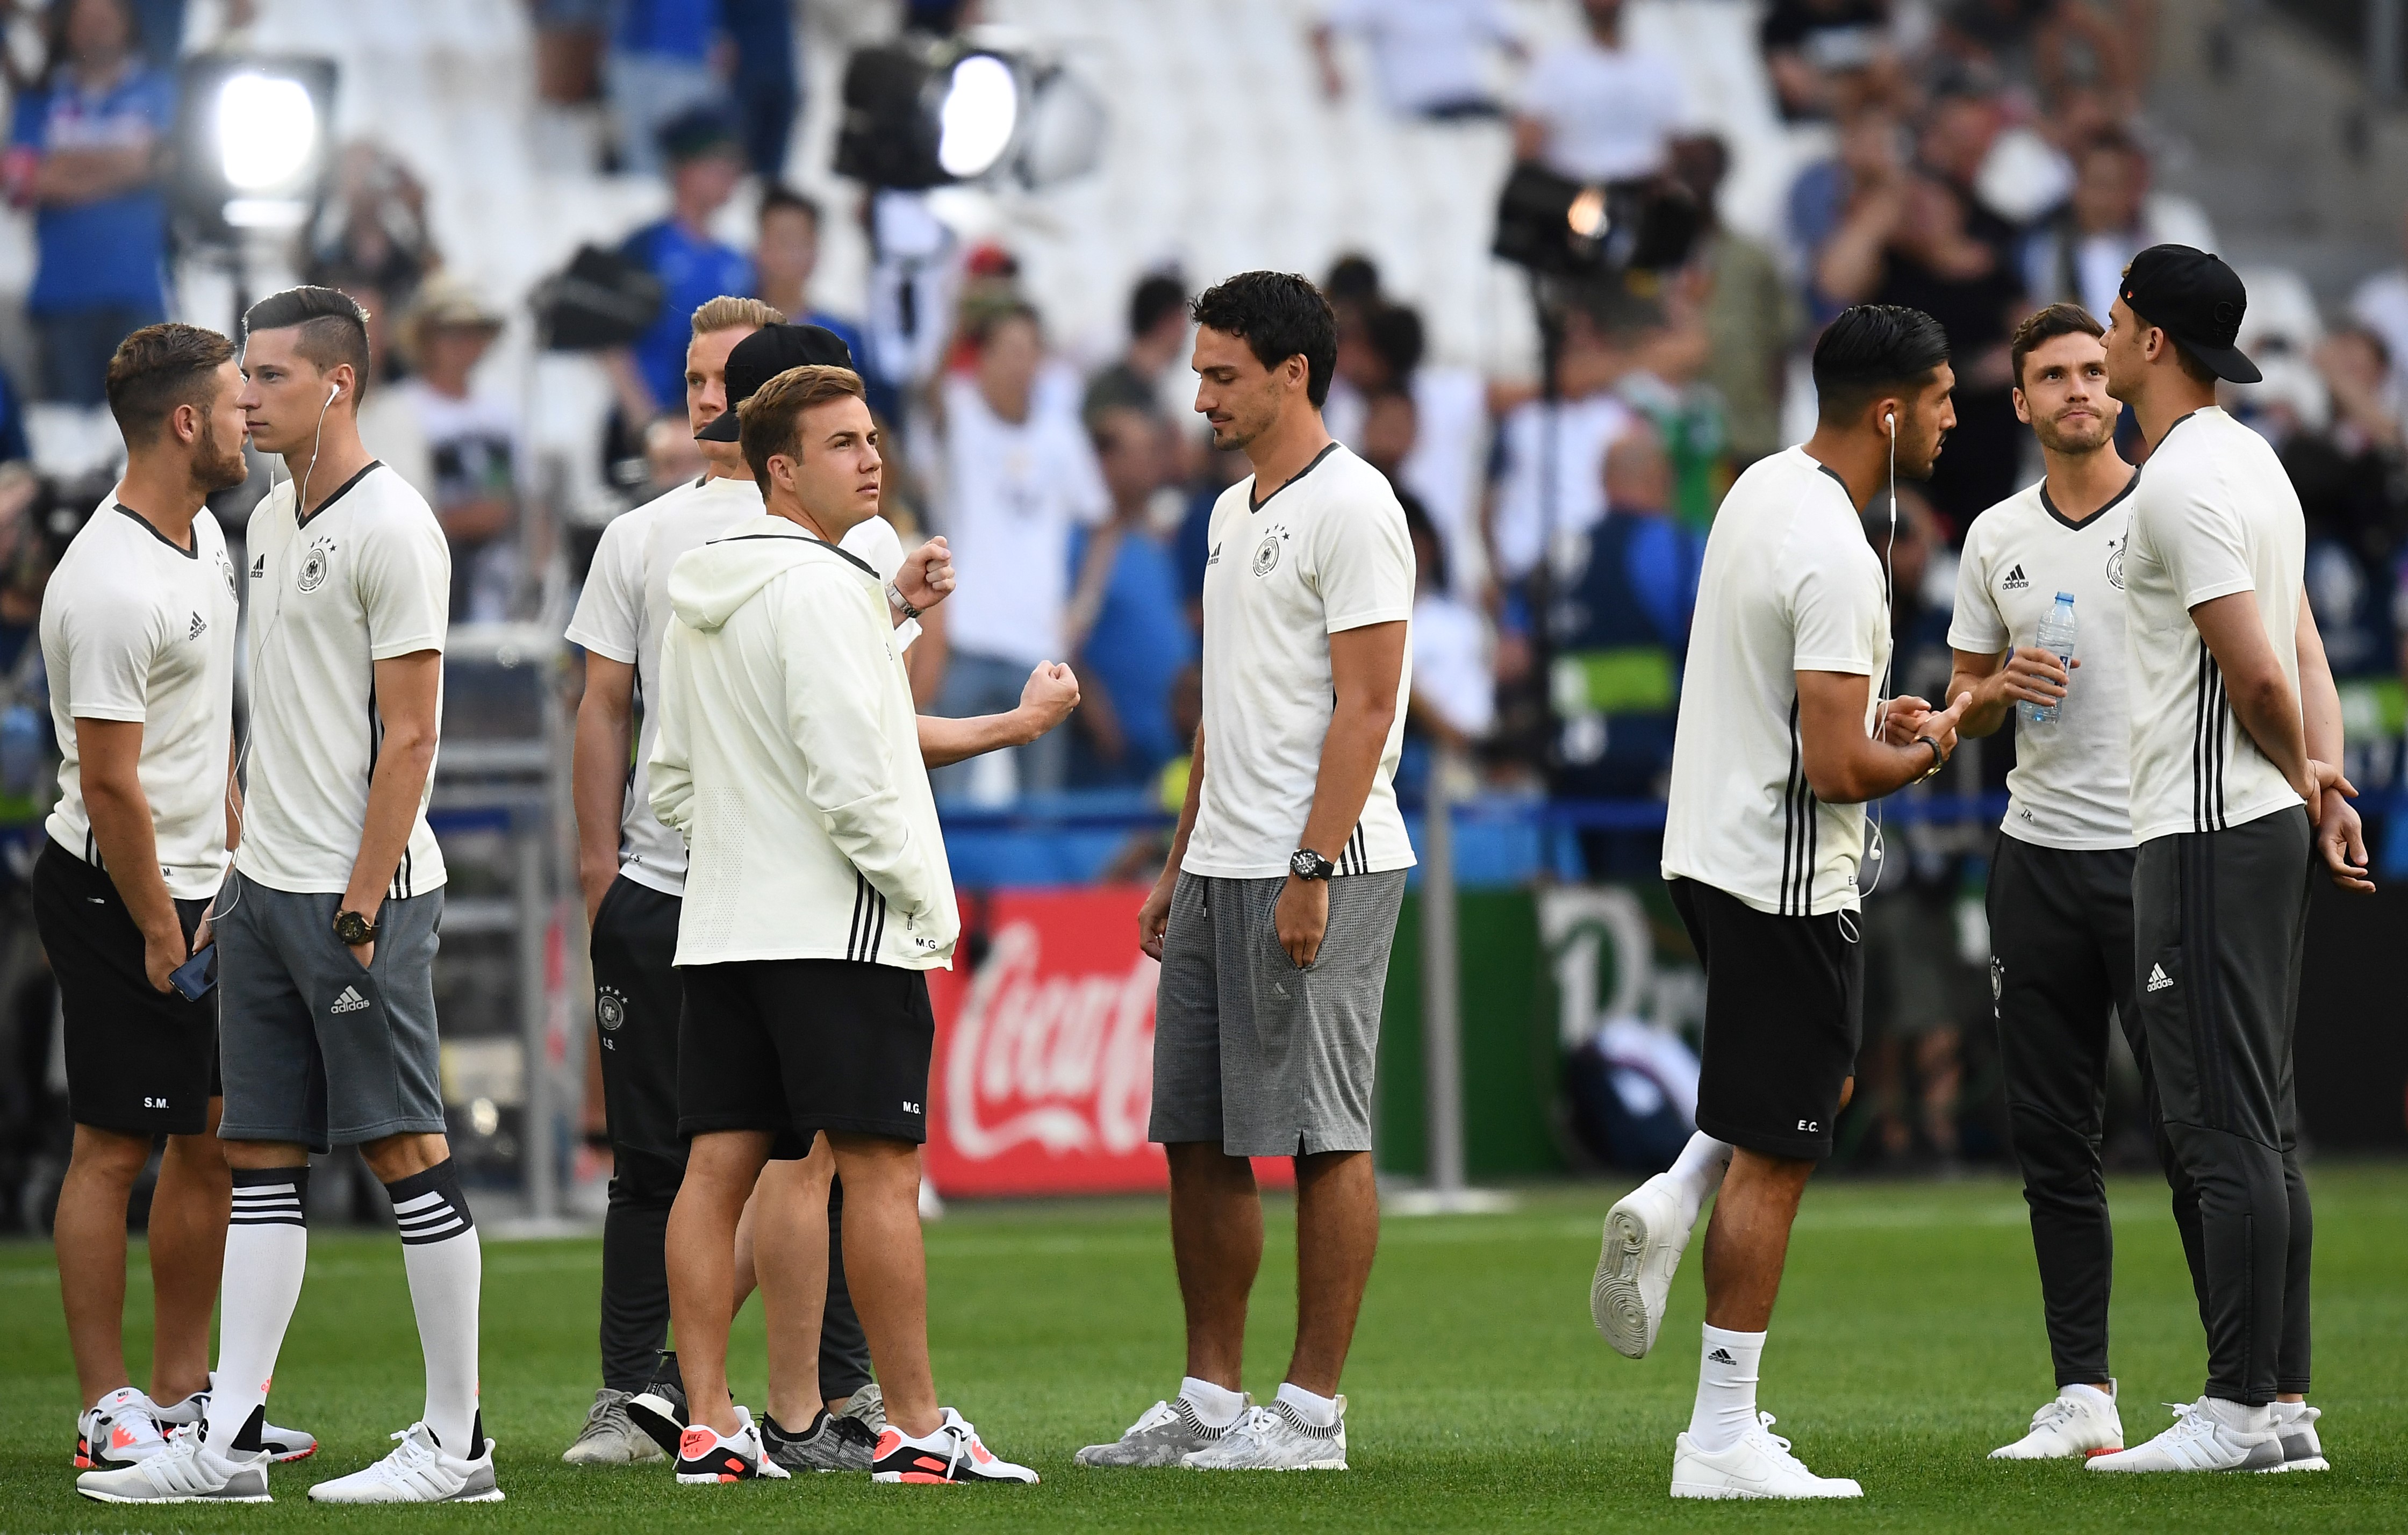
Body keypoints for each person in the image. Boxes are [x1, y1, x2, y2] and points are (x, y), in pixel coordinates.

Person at [563, 305, 1074, 1471]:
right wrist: (925, 906)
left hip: (723, 918)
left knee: (715, 1169)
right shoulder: (829, 588)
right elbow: (861, 780)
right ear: (781, 469)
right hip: (836, 924)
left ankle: (707, 1424)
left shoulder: (702, 579)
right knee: (880, 1177)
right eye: (844, 443)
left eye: (872, 437)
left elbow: (674, 778)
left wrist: (747, 845)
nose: (871, 458)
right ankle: (917, 1432)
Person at [80, 287, 492, 1505]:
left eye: (265, 378)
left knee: (407, 1151)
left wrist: (361, 905)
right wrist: (244, 872)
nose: (242, 399)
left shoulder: (396, 527)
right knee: (256, 1152)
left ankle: (458, 1444)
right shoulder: (264, 517)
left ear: (338, 385)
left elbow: (412, 739)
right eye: (242, 379)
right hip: (265, 889)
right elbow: (281, 712)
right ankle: (232, 1439)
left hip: (359, 895)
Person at [1595, 305, 1973, 1500]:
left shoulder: (1762, 486)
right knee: (1782, 1148)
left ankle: (1671, 1191)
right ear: (1888, 410)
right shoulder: (1838, 553)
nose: (1953, 418)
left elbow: (1791, 706)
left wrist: (1872, 725)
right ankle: (1719, 1436)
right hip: (1786, 871)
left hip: (1706, 847)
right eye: (1943, 397)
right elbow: (1831, 769)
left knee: (1810, 1088)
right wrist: (1921, 751)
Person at [1082, 270, 1415, 1472]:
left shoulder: (1356, 507)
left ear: (1292, 373)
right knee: (1201, 1139)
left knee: (1323, 1136)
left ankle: (1312, 1417)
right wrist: (1181, 862)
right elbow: (1224, 716)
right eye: (1198, 372)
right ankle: (1210, 1403)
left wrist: (1310, 862)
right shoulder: (1229, 512)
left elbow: (1368, 706)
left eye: (1222, 374)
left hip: (1322, 859)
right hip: (1221, 859)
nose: (1200, 396)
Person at [2086, 246, 2371, 1474]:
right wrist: (2323, 779)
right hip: (2252, 823)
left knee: (2215, 1124)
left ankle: (2238, 1410)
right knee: (2267, 1122)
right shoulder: (2255, 465)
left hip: (2203, 834)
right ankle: (2284, 1407)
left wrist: (2306, 774)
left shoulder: (2183, 481)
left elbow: (2259, 668)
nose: (2104, 334)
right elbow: (2306, 656)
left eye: (2114, 317)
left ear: (2151, 340)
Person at [45, 325, 315, 1486]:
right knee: (114, 1144)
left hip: (208, 882)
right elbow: (109, 784)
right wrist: (161, 928)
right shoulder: (105, 584)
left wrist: (240, 847)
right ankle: (107, 1404)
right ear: (187, 424)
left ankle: (185, 1392)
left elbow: (207, 736)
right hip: (120, 888)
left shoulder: (206, 533)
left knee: (210, 1142)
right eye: (233, 397)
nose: (251, 415)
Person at [1945, 300, 2199, 1459]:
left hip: (2156, 849)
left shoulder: (2172, 509)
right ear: (2021, 402)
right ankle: (2082, 1395)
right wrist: (1987, 697)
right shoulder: (1994, 536)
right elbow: (1954, 704)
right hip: (2035, 853)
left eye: (2094, 370)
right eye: (2052, 377)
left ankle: (2242, 1390)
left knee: (2200, 1135)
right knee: (2053, 1139)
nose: (2079, 392)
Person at [927, 302, 1112, 799]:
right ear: (980, 357)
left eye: (1030, 351)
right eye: (1007, 350)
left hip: (1039, 647)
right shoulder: (960, 412)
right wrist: (962, 308)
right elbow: (927, 396)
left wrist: (1083, 606)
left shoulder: (1061, 434)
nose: (1019, 363)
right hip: (965, 639)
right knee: (950, 804)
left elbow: (1104, 521)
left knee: (1040, 807)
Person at [2, 0, 174, 405]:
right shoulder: (40, 99)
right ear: (67, 29)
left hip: (137, 293)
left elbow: (168, 165)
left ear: (127, 25)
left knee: (144, 432)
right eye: (86, 21)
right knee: (67, 438)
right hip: (61, 298)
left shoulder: (158, 89)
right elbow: (19, 183)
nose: (97, 30)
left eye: (106, 19)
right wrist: (126, 166)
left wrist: (62, 168)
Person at [1066, 406, 1196, 787]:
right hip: (1110, 752)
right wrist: (1093, 709)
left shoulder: (1154, 538)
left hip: (1172, 742)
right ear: (1104, 460)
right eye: (1141, 452)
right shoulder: (1079, 541)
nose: (1153, 463)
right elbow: (1062, 634)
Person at [390, 276, 524, 620]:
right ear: (426, 338)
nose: (465, 343)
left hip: (499, 583)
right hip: (432, 582)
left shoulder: (502, 411)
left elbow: (517, 497)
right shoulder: (400, 411)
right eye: (452, 331)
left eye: (474, 331)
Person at [614, 106, 752, 426]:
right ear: (682, 169)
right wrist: (643, 417)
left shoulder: (738, 261)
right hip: (650, 421)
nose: (731, 175)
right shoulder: (646, 247)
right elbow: (609, 338)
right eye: (717, 163)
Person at [2020, 132, 2214, 327]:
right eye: (2097, 184)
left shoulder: (2158, 249)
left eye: (2114, 186)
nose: (2104, 199)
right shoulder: (2041, 253)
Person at [1511, 0, 1688, 184]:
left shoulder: (1657, 68)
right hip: (1574, 190)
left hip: (1644, 191)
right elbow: (1528, 143)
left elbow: (1676, 138)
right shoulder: (1552, 66)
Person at [1312, 0, 1523, 119]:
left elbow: (1514, 43)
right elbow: (1321, 31)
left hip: (1469, 100)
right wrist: (1331, 73)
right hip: (1417, 107)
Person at [1084, 272, 1191, 427]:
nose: (1186, 333)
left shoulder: (1155, 389)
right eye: (1182, 320)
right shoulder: (1108, 391)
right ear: (1166, 322)